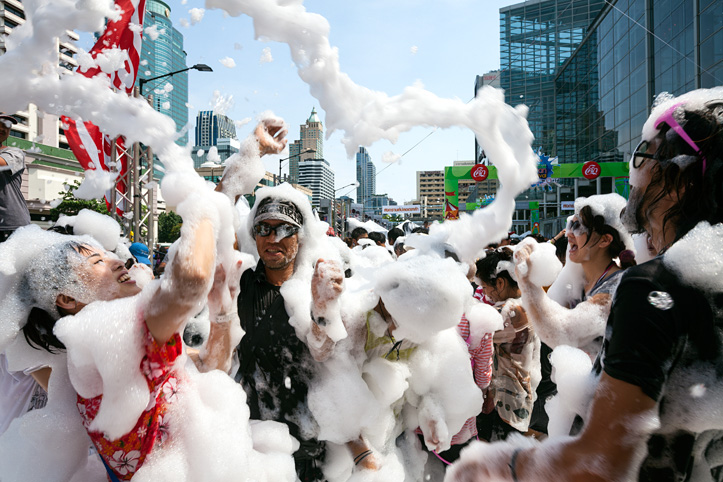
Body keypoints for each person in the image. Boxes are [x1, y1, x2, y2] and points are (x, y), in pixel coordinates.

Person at [446, 88, 723, 482]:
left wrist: (502, 464)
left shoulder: (650, 287)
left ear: (677, 181)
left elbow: (600, 462)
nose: (633, 169)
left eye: (643, 154)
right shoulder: (700, 279)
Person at [233, 189, 342, 482]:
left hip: (306, 436)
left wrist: (323, 309)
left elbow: (327, 355)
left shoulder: (315, 287)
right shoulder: (240, 282)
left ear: (301, 236)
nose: (273, 238)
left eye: (284, 229)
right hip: (250, 433)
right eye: (263, 228)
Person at [514, 193, 635, 360]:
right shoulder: (578, 279)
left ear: (605, 240)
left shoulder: (616, 286)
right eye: (571, 225)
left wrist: (526, 280)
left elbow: (563, 333)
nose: (569, 233)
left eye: (578, 227)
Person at [475, 248, 541, 442]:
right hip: (516, 390)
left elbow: (476, 332)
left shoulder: (512, 311)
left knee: (504, 454)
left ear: (501, 282)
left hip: (509, 398)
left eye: (485, 287)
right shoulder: (527, 300)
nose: (486, 294)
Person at [0, 113, 31, 242]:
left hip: (12, 224)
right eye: (0, 124)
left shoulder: (14, 153)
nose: (3, 128)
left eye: (7, 126)